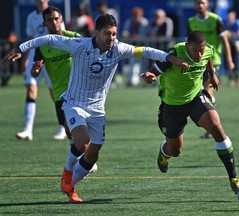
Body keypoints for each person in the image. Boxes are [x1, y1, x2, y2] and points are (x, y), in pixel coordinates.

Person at [3, 14, 189, 203]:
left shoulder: (118, 48)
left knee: (93, 153)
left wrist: (170, 58)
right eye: (107, 34)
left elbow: (145, 50)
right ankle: (67, 173)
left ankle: (70, 186)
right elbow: (49, 38)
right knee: (83, 142)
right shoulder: (79, 45)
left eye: (114, 34)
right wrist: (21, 48)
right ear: (96, 32)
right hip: (74, 103)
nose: (112, 38)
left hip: (97, 108)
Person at [141, 30, 239, 195]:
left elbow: (208, 57)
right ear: (187, 45)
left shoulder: (207, 50)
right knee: (176, 151)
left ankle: (234, 178)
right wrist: (148, 77)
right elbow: (153, 71)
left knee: (217, 129)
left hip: (196, 98)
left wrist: (212, 75)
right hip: (172, 106)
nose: (199, 54)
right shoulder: (175, 54)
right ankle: (164, 152)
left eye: (201, 50)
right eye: (195, 50)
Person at [31, 6, 82, 146]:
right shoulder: (41, 45)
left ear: (61, 20)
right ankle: (78, 152)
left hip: (78, 90)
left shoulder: (74, 37)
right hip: (59, 92)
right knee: (67, 127)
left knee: (80, 125)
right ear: (44, 23)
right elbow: (34, 74)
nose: (53, 22)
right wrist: (36, 69)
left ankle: (86, 157)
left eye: (56, 19)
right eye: (49, 20)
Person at [17, 0, 66, 141]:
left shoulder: (55, 14)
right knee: (31, 89)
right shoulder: (31, 16)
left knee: (54, 92)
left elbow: (61, 36)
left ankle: (62, 128)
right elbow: (30, 39)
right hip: (35, 55)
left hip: (51, 55)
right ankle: (28, 130)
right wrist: (26, 58)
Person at [187, 0, 235, 138]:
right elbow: (188, 43)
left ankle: (211, 128)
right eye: (197, 3)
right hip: (197, 63)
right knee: (200, 92)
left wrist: (229, 59)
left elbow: (224, 40)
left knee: (207, 92)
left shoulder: (215, 20)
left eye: (202, 2)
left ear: (207, 4)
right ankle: (210, 125)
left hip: (215, 61)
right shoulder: (191, 21)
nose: (200, 5)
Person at [121, 6, 149, 86]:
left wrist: (136, 37)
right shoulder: (129, 21)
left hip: (143, 47)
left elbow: (144, 35)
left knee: (144, 65)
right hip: (131, 46)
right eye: (134, 15)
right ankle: (131, 81)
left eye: (137, 15)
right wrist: (126, 35)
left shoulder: (144, 22)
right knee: (132, 64)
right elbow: (125, 32)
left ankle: (143, 81)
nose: (136, 17)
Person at [224, 9, 239, 87]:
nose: (229, 16)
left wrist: (230, 34)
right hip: (227, 45)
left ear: (234, 15)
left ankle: (237, 79)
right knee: (228, 62)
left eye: (231, 14)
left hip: (236, 45)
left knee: (236, 62)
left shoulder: (237, 22)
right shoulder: (225, 22)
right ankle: (230, 79)